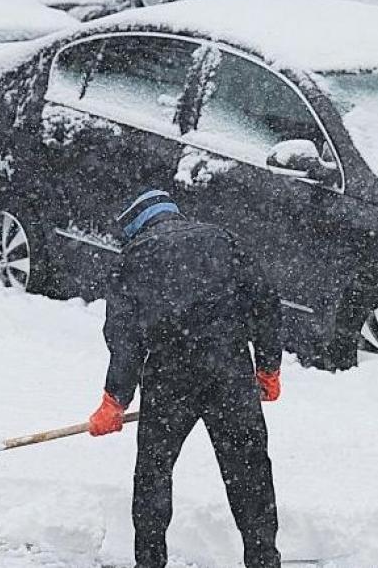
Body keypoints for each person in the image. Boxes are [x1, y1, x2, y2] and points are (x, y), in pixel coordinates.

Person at [87, 190, 283, 568]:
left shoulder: (133, 258)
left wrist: (115, 400)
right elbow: (265, 301)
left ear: (135, 227)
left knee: (154, 472)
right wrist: (268, 366)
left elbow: (124, 339)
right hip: (229, 372)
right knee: (249, 472)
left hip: (169, 377)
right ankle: (263, 558)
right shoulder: (221, 239)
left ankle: (150, 561)